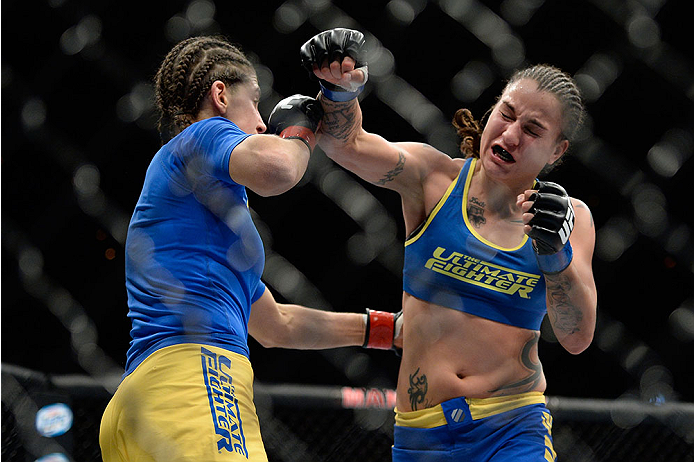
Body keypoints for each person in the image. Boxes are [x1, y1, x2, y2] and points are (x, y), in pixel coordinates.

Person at [99, 35, 402, 462]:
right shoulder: (202, 135)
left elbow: (276, 325)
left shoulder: (203, 224)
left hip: (141, 401)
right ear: (220, 95)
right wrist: (300, 132)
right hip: (195, 380)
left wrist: (386, 331)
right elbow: (276, 169)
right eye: (255, 102)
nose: (262, 123)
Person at [300, 28, 597, 461]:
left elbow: (576, 337)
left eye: (532, 129)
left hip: (511, 429)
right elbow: (346, 144)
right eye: (507, 113)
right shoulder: (432, 178)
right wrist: (339, 91)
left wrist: (555, 252)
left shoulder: (573, 219)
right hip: (420, 436)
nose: (511, 134)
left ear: (557, 150)